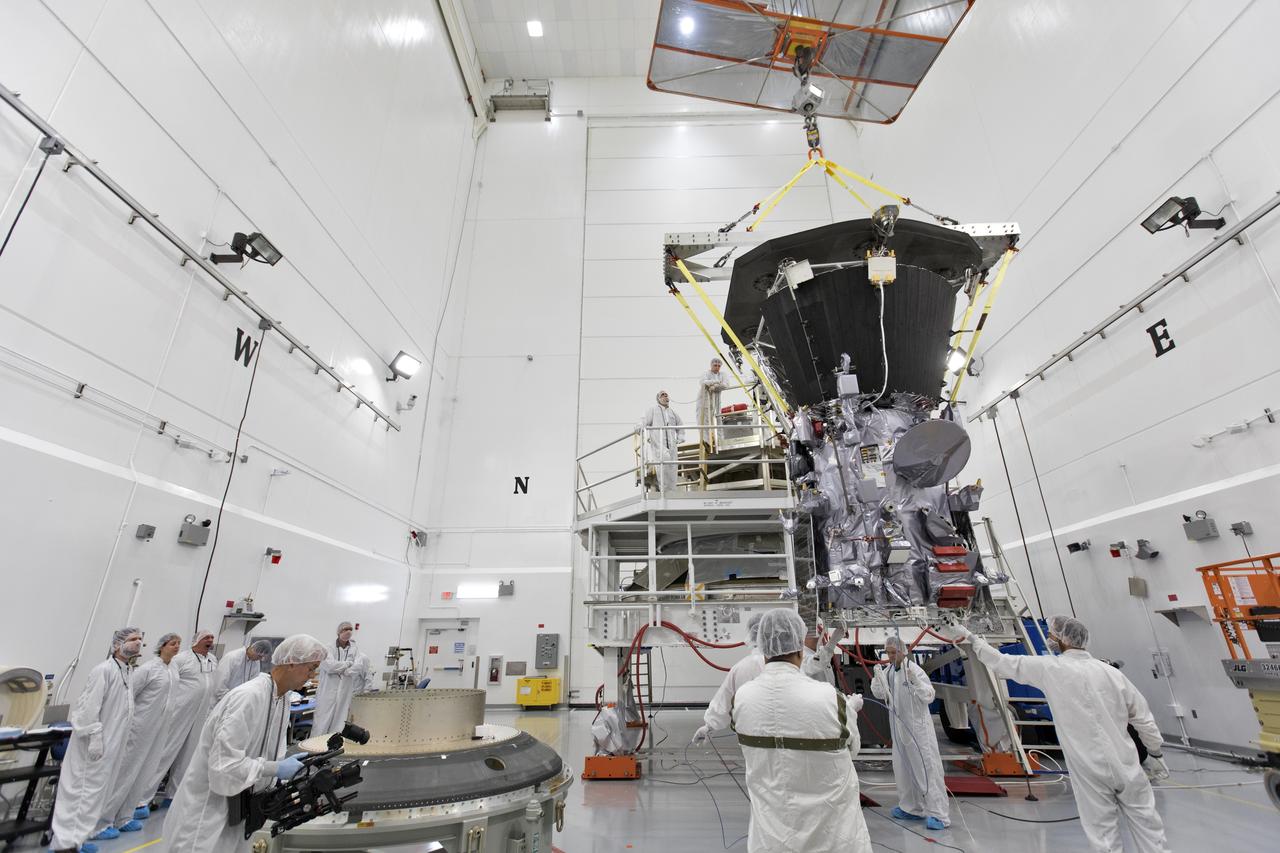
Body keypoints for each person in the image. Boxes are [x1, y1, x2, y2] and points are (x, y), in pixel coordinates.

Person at [946, 616, 1171, 853]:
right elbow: (1144, 719)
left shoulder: (1051, 668)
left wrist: (970, 638)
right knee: (1150, 830)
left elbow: (1001, 662)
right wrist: (1155, 753)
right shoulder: (1112, 674)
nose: (1050, 639)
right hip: (1127, 763)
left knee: (1103, 834)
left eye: (1052, 636)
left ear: (1062, 640)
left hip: (1088, 766)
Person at [163, 635, 327, 853]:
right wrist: (275, 768)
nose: (312, 675)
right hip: (208, 814)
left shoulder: (282, 698)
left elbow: (268, 750)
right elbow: (224, 768)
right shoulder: (248, 697)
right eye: (311, 668)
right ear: (292, 662)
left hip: (242, 810)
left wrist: (277, 774)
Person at [731, 609, 872, 853]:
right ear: (799, 648)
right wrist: (850, 710)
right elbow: (853, 749)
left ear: (763, 650)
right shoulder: (829, 698)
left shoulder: (743, 698)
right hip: (832, 838)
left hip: (771, 840)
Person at [49, 627, 140, 853]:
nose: (137, 643)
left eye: (140, 639)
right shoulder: (103, 670)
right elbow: (88, 709)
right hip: (93, 745)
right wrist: (95, 736)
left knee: (94, 796)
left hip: (111, 745)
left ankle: (78, 839)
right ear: (117, 644)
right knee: (80, 794)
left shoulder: (127, 671)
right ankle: (63, 844)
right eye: (132, 639)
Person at [102, 632, 181, 832]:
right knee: (125, 772)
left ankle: (125, 817)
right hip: (139, 727)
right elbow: (129, 695)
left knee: (144, 773)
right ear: (162, 646)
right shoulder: (148, 669)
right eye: (173, 643)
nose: (177, 647)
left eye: (179, 644)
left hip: (160, 729)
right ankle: (104, 820)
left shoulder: (173, 669)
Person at [870, 635, 949, 830]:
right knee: (903, 769)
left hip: (919, 731)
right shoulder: (888, 671)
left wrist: (915, 681)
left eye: (893, 652)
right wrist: (877, 679)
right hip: (899, 730)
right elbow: (880, 695)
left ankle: (939, 814)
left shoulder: (915, 671)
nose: (890, 656)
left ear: (903, 651)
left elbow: (929, 696)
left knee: (927, 770)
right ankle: (912, 808)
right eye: (888, 653)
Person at [160, 629, 219, 803]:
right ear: (196, 641)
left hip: (201, 713)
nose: (210, 640)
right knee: (166, 751)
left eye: (212, 637)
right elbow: (167, 683)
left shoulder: (212, 660)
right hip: (179, 711)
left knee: (188, 755)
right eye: (206, 637)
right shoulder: (181, 659)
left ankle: (173, 795)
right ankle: (142, 798)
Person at [692, 613, 764, 744]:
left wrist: (708, 726)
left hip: (753, 743)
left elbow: (723, 700)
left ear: (751, 635)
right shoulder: (793, 667)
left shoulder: (741, 668)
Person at [311, 622, 367, 735]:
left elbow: (359, 665)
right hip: (328, 691)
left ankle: (333, 746)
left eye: (350, 630)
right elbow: (329, 666)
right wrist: (347, 664)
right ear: (339, 632)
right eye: (345, 629)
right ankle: (315, 747)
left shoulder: (355, 649)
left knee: (339, 721)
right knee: (322, 721)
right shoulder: (328, 647)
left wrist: (347, 670)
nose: (348, 632)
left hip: (344, 691)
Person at [639, 391, 683, 492]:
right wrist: (639, 427)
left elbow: (680, 426)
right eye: (662, 395)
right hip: (659, 444)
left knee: (673, 467)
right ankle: (664, 492)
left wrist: (680, 437)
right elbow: (644, 421)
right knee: (663, 467)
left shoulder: (672, 412)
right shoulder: (653, 410)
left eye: (666, 395)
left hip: (672, 445)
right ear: (658, 399)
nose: (665, 397)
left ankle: (672, 491)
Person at [696, 357, 732, 447]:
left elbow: (726, 385)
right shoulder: (706, 373)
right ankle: (706, 441)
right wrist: (716, 382)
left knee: (718, 419)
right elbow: (703, 382)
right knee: (704, 421)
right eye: (715, 365)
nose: (717, 367)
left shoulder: (722, 374)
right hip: (704, 401)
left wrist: (715, 386)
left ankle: (720, 441)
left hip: (716, 400)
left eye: (719, 366)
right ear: (711, 365)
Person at [801, 620, 846, 687]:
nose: (820, 630)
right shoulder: (800, 655)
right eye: (815, 626)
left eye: (821, 625)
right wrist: (832, 642)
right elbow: (815, 663)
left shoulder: (821, 651)